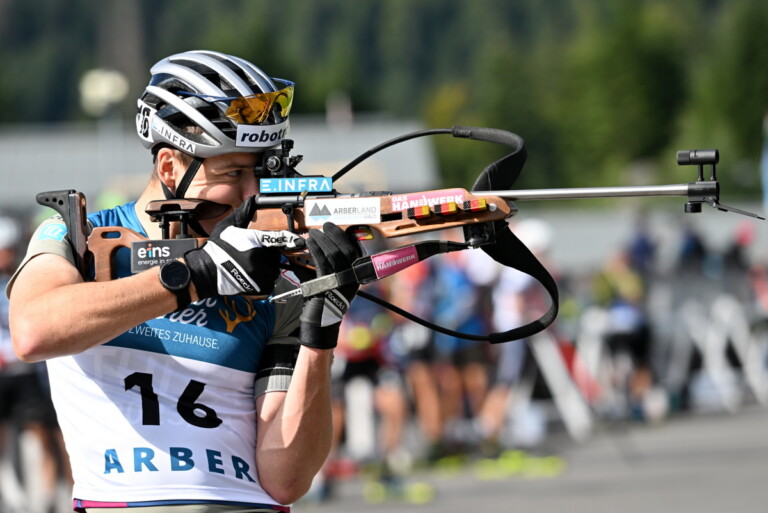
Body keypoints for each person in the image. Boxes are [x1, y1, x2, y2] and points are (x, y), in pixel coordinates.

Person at [7, 50, 362, 512]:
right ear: (170, 167)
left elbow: (286, 479)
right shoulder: (80, 237)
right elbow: (33, 331)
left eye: (261, 172)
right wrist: (196, 275)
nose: (251, 195)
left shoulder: (274, 276)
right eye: (233, 172)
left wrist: (321, 338)